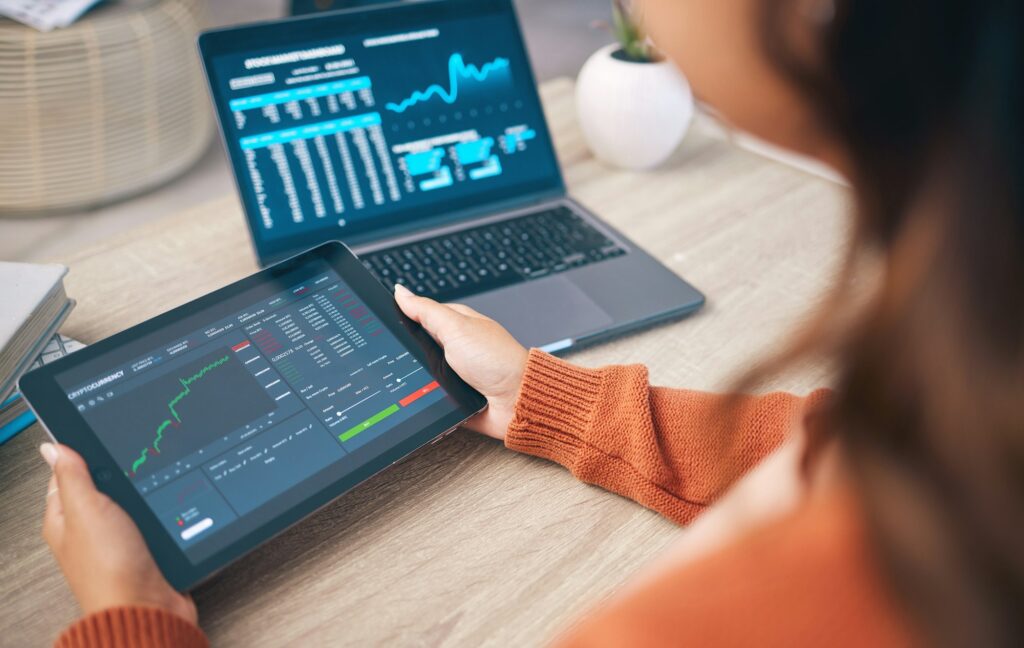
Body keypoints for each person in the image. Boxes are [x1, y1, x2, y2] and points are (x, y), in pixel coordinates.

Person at [39, 0, 1023, 645]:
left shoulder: (768, 606)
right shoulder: (973, 416)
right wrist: (540, 401)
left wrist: (131, 620)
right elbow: (845, 452)